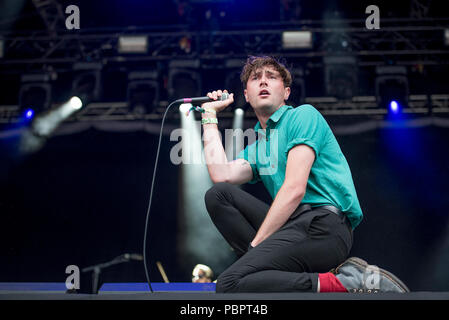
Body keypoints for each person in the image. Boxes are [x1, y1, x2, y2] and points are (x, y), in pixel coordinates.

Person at [200, 55, 409, 293]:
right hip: (292, 228)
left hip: (322, 227)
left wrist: (255, 248)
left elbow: (294, 189)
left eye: (271, 77)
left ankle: (345, 283)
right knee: (218, 195)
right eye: (256, 78)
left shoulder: (303, 116)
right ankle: (263, 270)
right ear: (246, 95)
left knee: (229, 283)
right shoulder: (260, 146)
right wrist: (209, 115)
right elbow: (221, 174)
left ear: (286, 92)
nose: (263, 82)